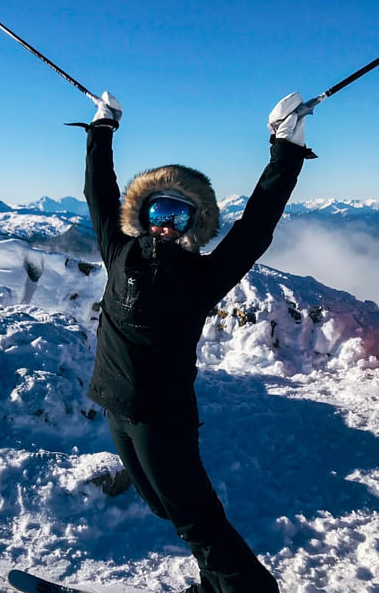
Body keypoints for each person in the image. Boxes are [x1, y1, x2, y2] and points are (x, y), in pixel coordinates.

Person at [81, 90, 316, 593]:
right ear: (143, 214)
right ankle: (217, 585)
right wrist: (102, 129)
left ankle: (246, 589)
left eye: (181, 216)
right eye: (161, 211)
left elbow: (256, 225)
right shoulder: (117, 251)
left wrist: (286, 149)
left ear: (195, 225)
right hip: (115, 406)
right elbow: (99, 192)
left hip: (161, 415)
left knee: (196, 519)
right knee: (163, 504)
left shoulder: (204, 276)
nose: (167, 224)